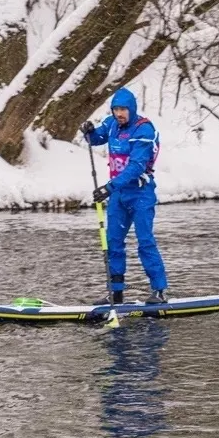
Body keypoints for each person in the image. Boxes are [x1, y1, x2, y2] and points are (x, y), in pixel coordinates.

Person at [80, 88, 169, 304]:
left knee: (145, 241)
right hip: (119, 195)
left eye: (123, 110)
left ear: (132, 109)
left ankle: (159, 291)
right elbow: (97, 138)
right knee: (113, 242)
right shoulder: (112, 125)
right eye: (116, 109)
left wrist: (109, 187)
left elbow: (136, 166)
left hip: (140, 193)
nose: (119, 113)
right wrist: (88, 131)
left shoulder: (144, 130)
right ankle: (116, 293)